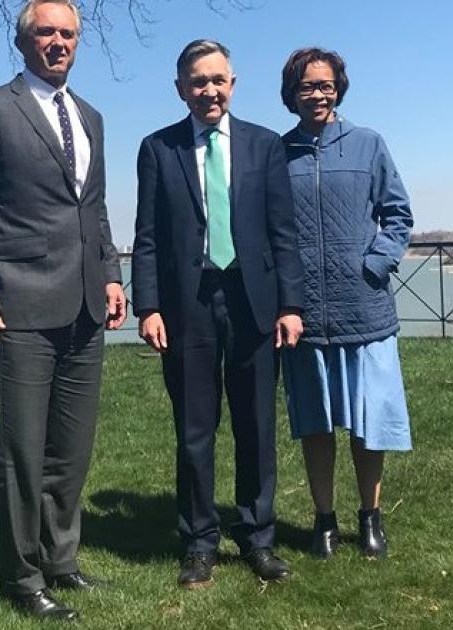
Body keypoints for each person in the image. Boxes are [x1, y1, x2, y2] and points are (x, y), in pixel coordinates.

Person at [0, 0, 126, 619]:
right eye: (46, 32)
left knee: (70, 448)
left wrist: (111, 275)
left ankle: (61, 559)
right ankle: (22, 578)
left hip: (84, 308)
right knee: (23, 448)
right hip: (19, 301)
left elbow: (93, 208)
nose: (58, 42)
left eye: (68, 33)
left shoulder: (92, 116)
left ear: (79, 42)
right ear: (23, 42)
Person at [132, 39, 304, 588]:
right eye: (197, 81)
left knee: (256, 427)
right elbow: (148, 237)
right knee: (194, 430)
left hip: (255, 302)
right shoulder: (159, 149)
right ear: (180, 89)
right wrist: (149, 305)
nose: (209, 90)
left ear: (233, 83)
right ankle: (199, 542)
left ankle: (257, 537)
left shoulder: (265, 146)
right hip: (189, 306)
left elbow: (284, 233)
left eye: (217, 80)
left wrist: (291, 305)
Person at [279, 47, 413, 560]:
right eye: (307, 86)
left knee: (368, 423)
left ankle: (370, 517)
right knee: (315, 424)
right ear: (292, 92)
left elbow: (397, 213)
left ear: (339, 88)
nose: (317, 94)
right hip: (305, 314)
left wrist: (374, 264)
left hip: (366, 309)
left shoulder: (368, 144)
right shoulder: (279, 152)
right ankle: (325, 521)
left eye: (326, 85)